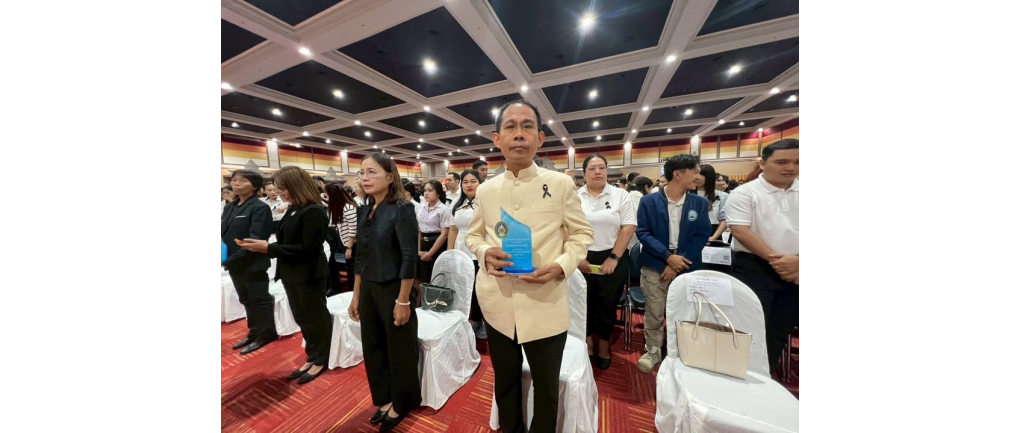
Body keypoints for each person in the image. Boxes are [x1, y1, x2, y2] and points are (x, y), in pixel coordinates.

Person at [466, 100, 594, 433]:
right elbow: (473, 235)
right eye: (510, 127)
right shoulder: (486, 190)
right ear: (497, 139)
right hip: (498, 303)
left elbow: (582, 234)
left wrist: (562, 266)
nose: (519, 134)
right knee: (505, 382)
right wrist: (485, 251)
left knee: (547, 388)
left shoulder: (561, 184)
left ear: (540, 138)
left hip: (545, 302)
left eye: (527, 127)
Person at [236, 166, 331, 384]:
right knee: (302, 317)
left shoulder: (314, 211)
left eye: (283, 188)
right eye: (278, 189)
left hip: (309, 274)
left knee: (315, 318)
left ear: (296, 186)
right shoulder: (294, 208)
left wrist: (268, 248)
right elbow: (287, 240)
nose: (280, 193)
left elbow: (308, 249)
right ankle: (313, 355)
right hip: (291, 273)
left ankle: (321, 358)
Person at [348, 153, 421, 430]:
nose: (365, 178)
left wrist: (404, 300)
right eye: (362, 173)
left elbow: (409, 258)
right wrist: (356, 295)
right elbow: (360, 257)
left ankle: (403, 401)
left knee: (399, 348)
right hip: (368, 287)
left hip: (394, 288)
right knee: (373, 345)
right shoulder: (364, 210)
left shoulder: (402, 209)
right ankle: (385, 396)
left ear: (390, 177)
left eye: (372, 172)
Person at [724, 139, 799, 372]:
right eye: (782, 162)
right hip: (755, 267)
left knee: (780, 328)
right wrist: (780, 262)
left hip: (798, 268)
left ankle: (766, 375)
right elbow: (740, 230)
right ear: (763, 163)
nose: (790, 168)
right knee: (749, 327)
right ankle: (742, 374)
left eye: (797, 162)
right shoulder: (745, 193)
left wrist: (797, 264)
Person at [634, 155, 712, 374]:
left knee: (686, 310)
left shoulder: (699, 203)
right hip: (655, 263)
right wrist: (668, 257)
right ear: (677, 174)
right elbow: (643, 233)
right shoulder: (648, 201)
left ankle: (681, 351)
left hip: (687, 264)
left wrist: (678, 261)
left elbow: (701, 234)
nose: (698, 177)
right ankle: (653, 351)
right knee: (655, 311)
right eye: (695, 172)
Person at [577, 155, 636, 371]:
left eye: (602, 167)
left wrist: (613, 257)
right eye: (592, 168)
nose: (597, 172)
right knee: (583, 303)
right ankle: (587, 343)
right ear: (584, 174)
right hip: (582, 257)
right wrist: (578, 256)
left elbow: (628, 226)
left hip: (613, 256)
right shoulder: (575, 196)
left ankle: (603, 344)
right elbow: (566, 227)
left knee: (607, 304)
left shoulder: (620, 195)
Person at [221, 170, 277, 355]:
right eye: (234, 180)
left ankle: (266, 333)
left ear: (254, 186)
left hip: (252, 262)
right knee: (245, 298)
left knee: (259, 299)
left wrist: (228, 261)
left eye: (242, 181)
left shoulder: (259, 207)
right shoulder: (230, 207)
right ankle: (254, 330)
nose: (236, 184)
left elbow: (256, 239)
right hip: (234, 263)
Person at [447, 169, 486, 339]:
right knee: (463, 286)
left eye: (473, 181)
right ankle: (471, 318)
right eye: (465, 182)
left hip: (478, 250)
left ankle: (482, 320)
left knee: (478, 288)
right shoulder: (456, 204)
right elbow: (453, 229)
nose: (469, 185)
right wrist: (450, 252)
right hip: (460, 250)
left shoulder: (485, 202)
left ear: (480, 183)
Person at [416, 180, 452, 287]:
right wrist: (418, 251)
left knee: (435, 279)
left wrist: (430, 254)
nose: (426, 193)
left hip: (437, 244)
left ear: (438, 193)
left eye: (430, 190)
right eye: (425, 191)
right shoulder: (422, 208)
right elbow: (419, 230)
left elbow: (444, 234)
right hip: (422, 243)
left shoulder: (444, 210)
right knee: (421, 279)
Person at [325, 182, 358, 295]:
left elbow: (353, 229)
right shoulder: (340, 206)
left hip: (352, 244)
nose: (327, 196)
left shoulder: (348, 207)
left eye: (327, 194)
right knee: (349, 268)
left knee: (353, 270)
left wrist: (349, 247)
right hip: (346, 242)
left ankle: (355, 293)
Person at [694, 164, 729, 243]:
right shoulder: (687, 195)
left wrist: (713, 237)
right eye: (695, 173)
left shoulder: (722, 196)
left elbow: (724, 219)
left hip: (714, 232)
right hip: (692, 233)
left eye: (701, 174)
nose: (697, 177)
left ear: (709, 177)